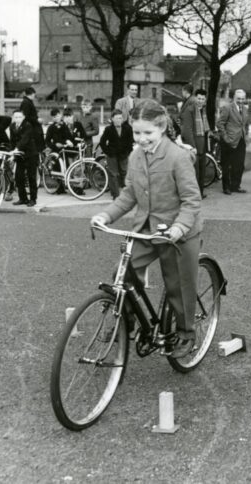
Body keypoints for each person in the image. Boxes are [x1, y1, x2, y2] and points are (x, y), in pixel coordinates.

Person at [90, 98, 202, 359]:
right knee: (123, 272)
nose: (141, 139)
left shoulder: (178, 157)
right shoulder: (136, 156)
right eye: (137, 132)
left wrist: (179, 227)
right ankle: (126, 319)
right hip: (148, 230)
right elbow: (129, 194)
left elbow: (191, 199)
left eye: (148, 133)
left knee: (179, 284)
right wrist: (106, 215)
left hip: (178, 233)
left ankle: (186, 333)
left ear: (162, 128)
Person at [217, 89, 250, 195]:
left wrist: (246, 135)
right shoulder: (227, 108)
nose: (240, 101)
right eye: (238, 98)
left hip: (241, 141)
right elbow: (220, 124)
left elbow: (246, 124)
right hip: (228, 141)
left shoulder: (245, 109)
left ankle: (235, 186)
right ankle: (226, 187)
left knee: (239, 165)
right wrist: (226, 138)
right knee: (226, 165)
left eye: (242, 99)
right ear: (234, 98)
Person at [179, 87, 208, 197]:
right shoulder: (190, 110)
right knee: (194, 171)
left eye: (202, 99)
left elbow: (205, 129)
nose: (200, 101)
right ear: (195, 99)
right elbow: (187, 130)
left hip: (202, 144)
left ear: (205, 100)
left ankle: (200, 192)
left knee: (202, 170)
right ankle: (194, 194)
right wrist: (192, 146)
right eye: (199, 98)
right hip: (195, 145)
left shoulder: (203, 110)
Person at [99, 109, 134, 199]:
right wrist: (107, 152)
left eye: (121, 118)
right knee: (113, 174)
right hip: (112, 154)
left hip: (123, 154)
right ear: (113, 119)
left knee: (125, 172)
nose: (119, 120)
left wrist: (127, 151)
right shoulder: (108, 129)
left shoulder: (128, 128)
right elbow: (102, 142)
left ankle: (127, 193)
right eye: (117, 118)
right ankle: (115, 195)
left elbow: (130, 142)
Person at [9, 109, 39, 207]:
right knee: (18, 177)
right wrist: (12, 153)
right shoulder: (12, 126)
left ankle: (33, 199)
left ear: (23, 117)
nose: (17, 119)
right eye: (15, 117)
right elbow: (12, 141)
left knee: (31, 177)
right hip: (19, 154)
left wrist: (16, 149)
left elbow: (24, 139)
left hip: (30, 154)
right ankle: (23, 198)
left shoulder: (28, 126)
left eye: (19, 117)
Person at [20, 87, 44, 153]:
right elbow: (26, 116)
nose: (34, 96)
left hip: (32, 126)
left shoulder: (27, 102)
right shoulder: (26, 103)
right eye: (34, 94)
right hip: (32, 128)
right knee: (36, 146)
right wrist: (37, 119)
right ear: (31, 94)